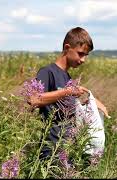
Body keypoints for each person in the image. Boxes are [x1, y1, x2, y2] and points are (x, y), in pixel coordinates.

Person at [28, 27, 109, 160]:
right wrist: (67, 91)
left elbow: (64, 104)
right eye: (80, 53)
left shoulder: (67, 77)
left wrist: (91, 103)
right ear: (67, 48)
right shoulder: (48, 72)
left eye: (86, 55)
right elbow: (34, 99)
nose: (83, 60)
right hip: (52, 151)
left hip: (67, 149)